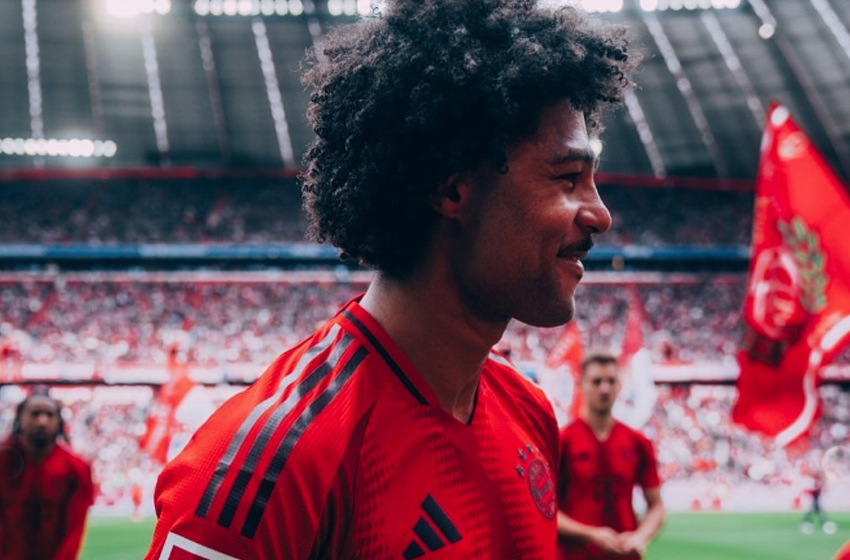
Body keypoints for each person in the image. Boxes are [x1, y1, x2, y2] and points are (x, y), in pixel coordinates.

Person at [144, 0, 638, 557]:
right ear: (452, 189)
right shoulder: (271, 462)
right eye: (568, 178)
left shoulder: (529, 412)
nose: (600, 215)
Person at [557, 351, 664, 559]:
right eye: (596, 381)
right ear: (581, 384)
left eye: (611, 381)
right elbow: (547, 511)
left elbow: (657, 506)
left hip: (624, 555)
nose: (604, 388)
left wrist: (641, 536)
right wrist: (591, 534)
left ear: (619, 385)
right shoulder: (562, 441)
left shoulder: (638, 442)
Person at [0, 390, 95, 560]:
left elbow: (74, 530)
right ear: (20, 418)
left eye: (49, 415)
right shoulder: (3, 461)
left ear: (59, 422)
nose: (42, 421)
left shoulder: (77, 469)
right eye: (35, 414)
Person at [800, 470, 836, 535]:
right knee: (816, 512)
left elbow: (818, 489)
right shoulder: (816, 481)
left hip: (816, 498)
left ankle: (808, 521)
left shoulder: (818, 481)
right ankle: (822, 522)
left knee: (815, 512)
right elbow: (814, 489)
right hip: (815, 498)